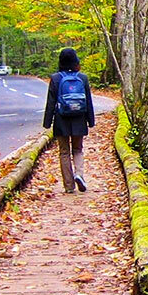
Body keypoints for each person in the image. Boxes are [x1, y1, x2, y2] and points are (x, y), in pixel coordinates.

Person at [43, 47, 95, 193]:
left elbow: (51, 102)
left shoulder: (56, 78)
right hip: (79, 118)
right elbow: (88, 101)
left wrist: (47, 123)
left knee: (64, 151)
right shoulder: (82, 78)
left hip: (61, 119)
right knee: (78, 149)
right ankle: (79, 174)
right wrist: (91, 121)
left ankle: (69, 186)